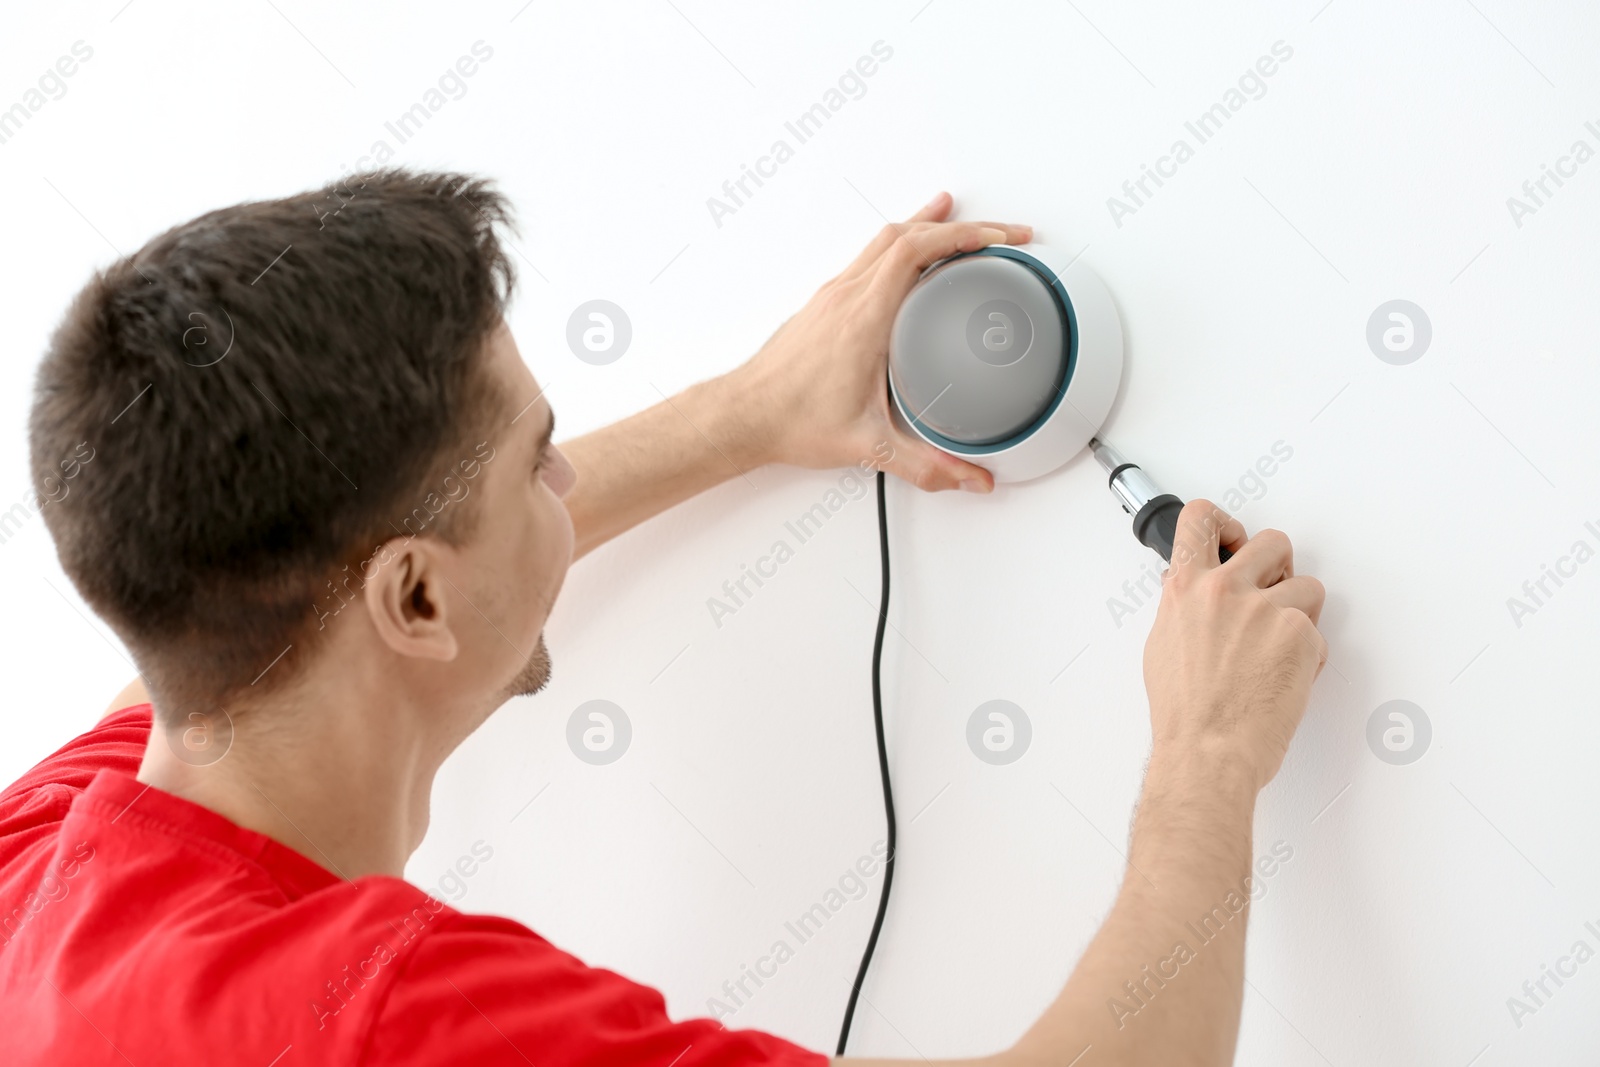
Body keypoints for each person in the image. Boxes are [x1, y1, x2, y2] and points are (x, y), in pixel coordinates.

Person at [1, 169, 1327, 1066]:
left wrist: (749, 413)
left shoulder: (45, 865)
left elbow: (297, 620)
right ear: (415, 593)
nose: (567, 482)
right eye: (540, 459)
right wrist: (1207, 768)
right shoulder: (389, 1019)